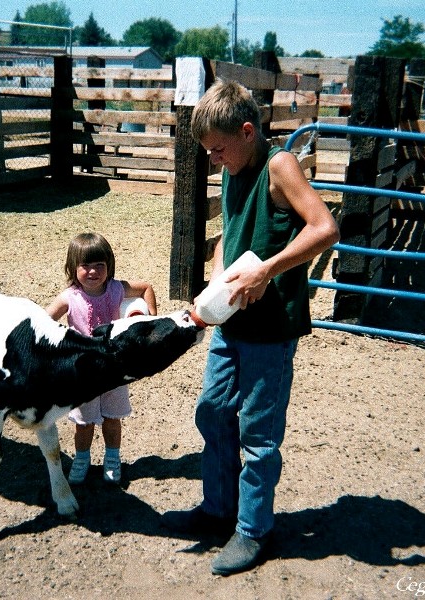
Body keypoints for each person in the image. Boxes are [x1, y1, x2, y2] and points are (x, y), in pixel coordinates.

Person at [161, 80, 340, 575]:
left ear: (246, 131)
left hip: (270, 328)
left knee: (258, 433)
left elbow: (325, 228)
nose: (215, 159)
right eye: (209, 152)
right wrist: (219, 275)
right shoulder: (232, 168)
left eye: (218, 148)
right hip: (232, 322)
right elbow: (232, 235)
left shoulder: (278, 166)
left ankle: (253, 530)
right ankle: (218, 508)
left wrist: (267, 269)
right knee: (213, 410)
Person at [46, 232, 158, 485]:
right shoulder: (69, 298)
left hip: (114, 371)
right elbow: (45, 320)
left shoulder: (117, 289)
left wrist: (150, 318)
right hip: (83, 373)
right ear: (72, 267)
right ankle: (81, 459)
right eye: (85, 265)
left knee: (112, 418)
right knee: (83, 423)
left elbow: (146, 287)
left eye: (100, 265)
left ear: (109, 266)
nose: (93, 271)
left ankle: (112, 457)